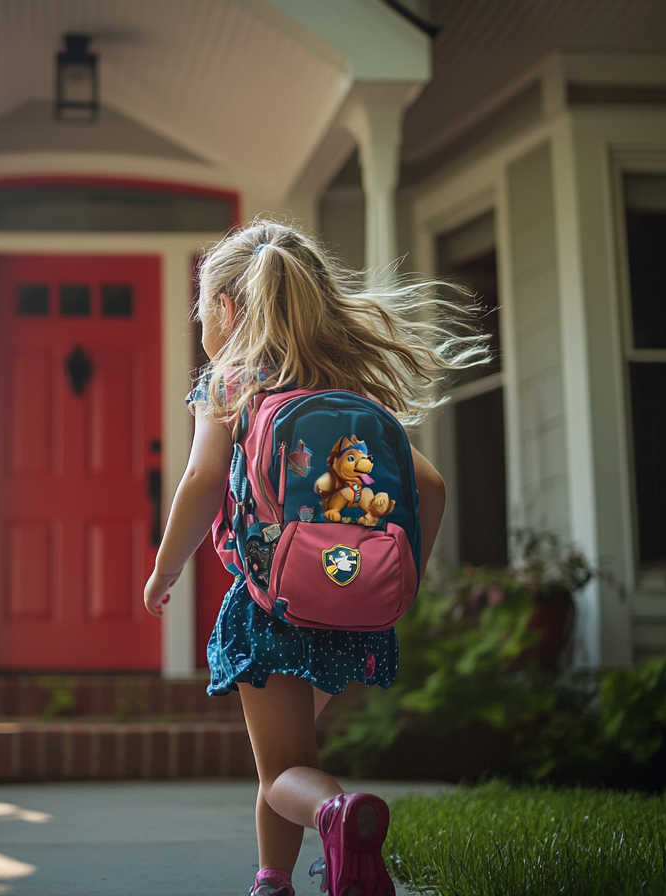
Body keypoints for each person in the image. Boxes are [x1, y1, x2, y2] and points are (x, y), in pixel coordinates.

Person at [143, 219, 486, 896]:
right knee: (283, 758)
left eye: (203, 310)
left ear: (228, 310)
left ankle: (339, 816)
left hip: (270, 608)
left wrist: (166, 568)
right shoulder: (350, 388)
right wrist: (400, 579)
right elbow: (430, 487)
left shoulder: (228, 383)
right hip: (351, 612)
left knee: (283, 772)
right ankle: (275, 878)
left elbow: (202, 482)